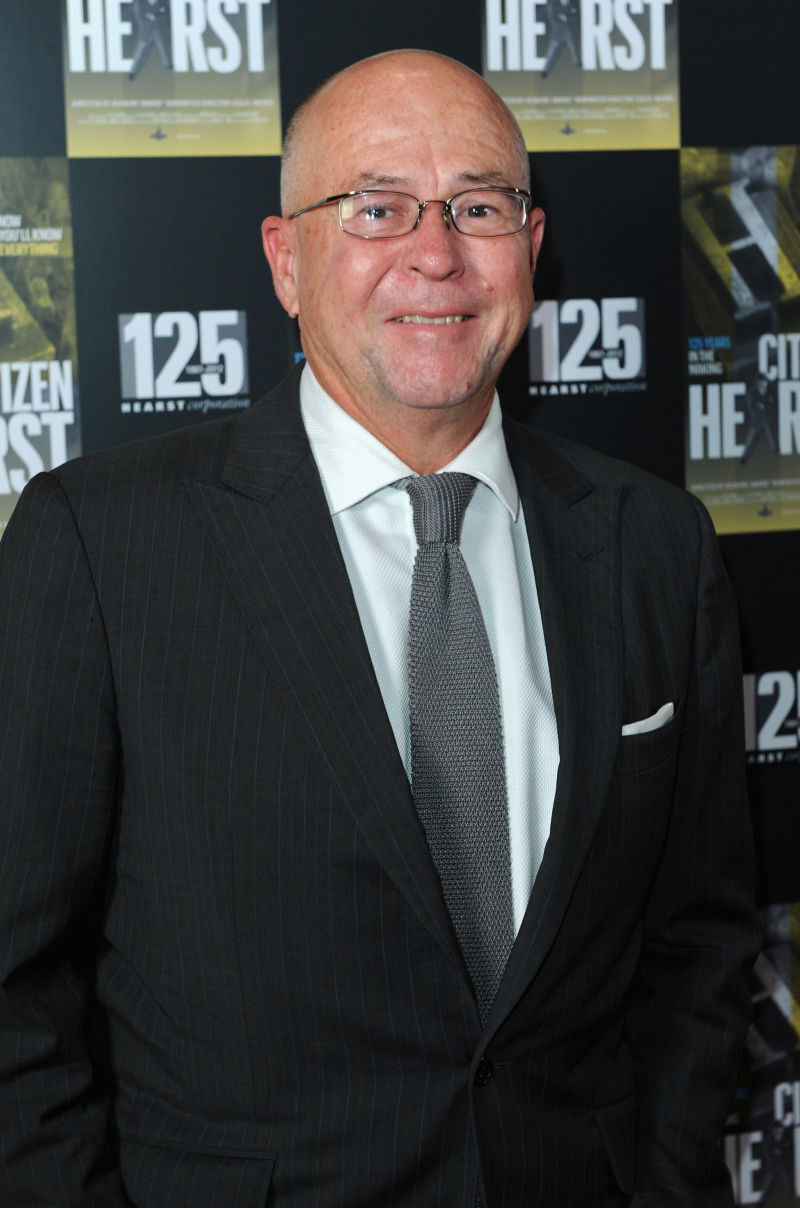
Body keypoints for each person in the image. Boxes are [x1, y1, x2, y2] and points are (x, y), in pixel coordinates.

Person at [0, 49, 757, 1207]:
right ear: (284, 260)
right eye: (375, 206)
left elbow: (696, 939)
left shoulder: (653, 542)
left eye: (477, 207)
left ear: (530, 245)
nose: (435, 252)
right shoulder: (102, 543)